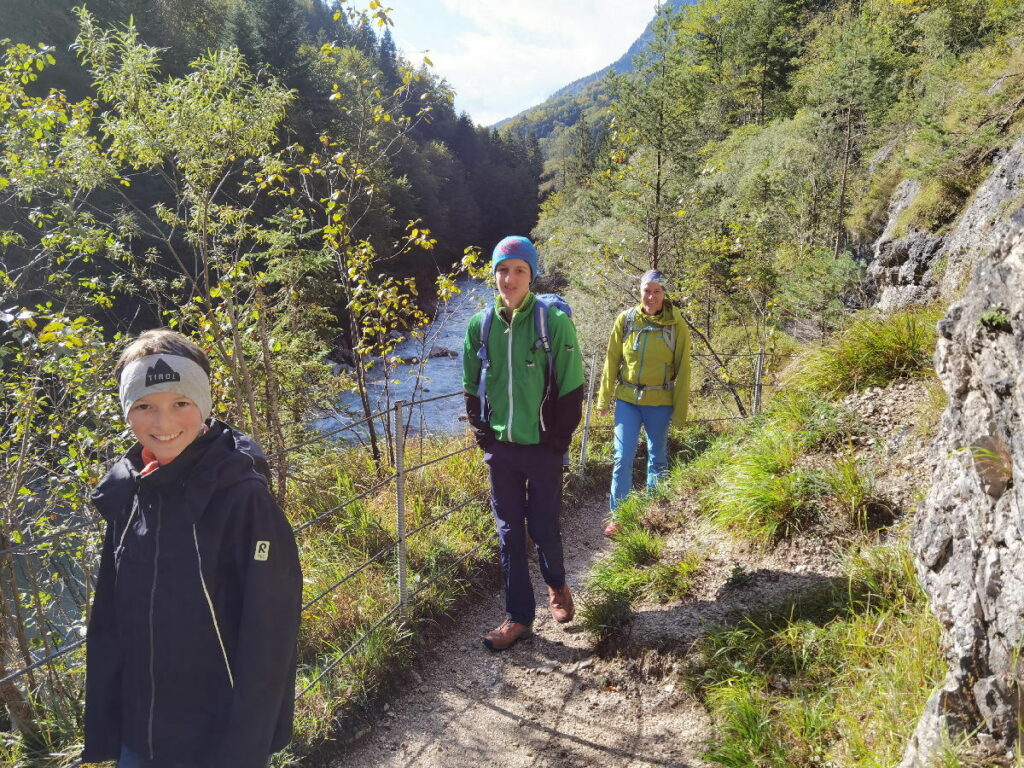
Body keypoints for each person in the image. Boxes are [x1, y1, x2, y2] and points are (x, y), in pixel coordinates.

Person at [82, 329, 302, 768]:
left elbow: (270, 634)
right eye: (144, 406)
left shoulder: (242, 497)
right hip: (139, 731)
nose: (163, 424)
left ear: (204, 402)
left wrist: (245, 746)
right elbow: (112, 619)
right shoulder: (128, 492)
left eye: (180, 403)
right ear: (127, 411)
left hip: (214, 738)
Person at [463, 235, 585, 651]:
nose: (509, 278)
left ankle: (557, 585)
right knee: (509, 533)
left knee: (544, 526)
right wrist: (485, 438)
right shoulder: (480, 326)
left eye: (518, 270)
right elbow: (470, 387)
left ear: (531, 275)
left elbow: (571, 388)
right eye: (502, 270)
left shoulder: (553, 324)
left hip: (544, 447)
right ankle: (518, 618)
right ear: (493, 274)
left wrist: (557, 442)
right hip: (503, 450)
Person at [596, 270, 691, 537]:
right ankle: (619, 517)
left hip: (660, 401)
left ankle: (653, 512)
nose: (651, 297)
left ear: (664, 294)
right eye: (646, 291)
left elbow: (684, 369)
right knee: (621, 457)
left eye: (656, 291)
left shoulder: (676, 325)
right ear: (640, 291)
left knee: (657, 458)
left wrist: (680, 412)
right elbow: (611, 360)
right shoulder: (626, 320)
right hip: (627, 399)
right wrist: (603, 398)